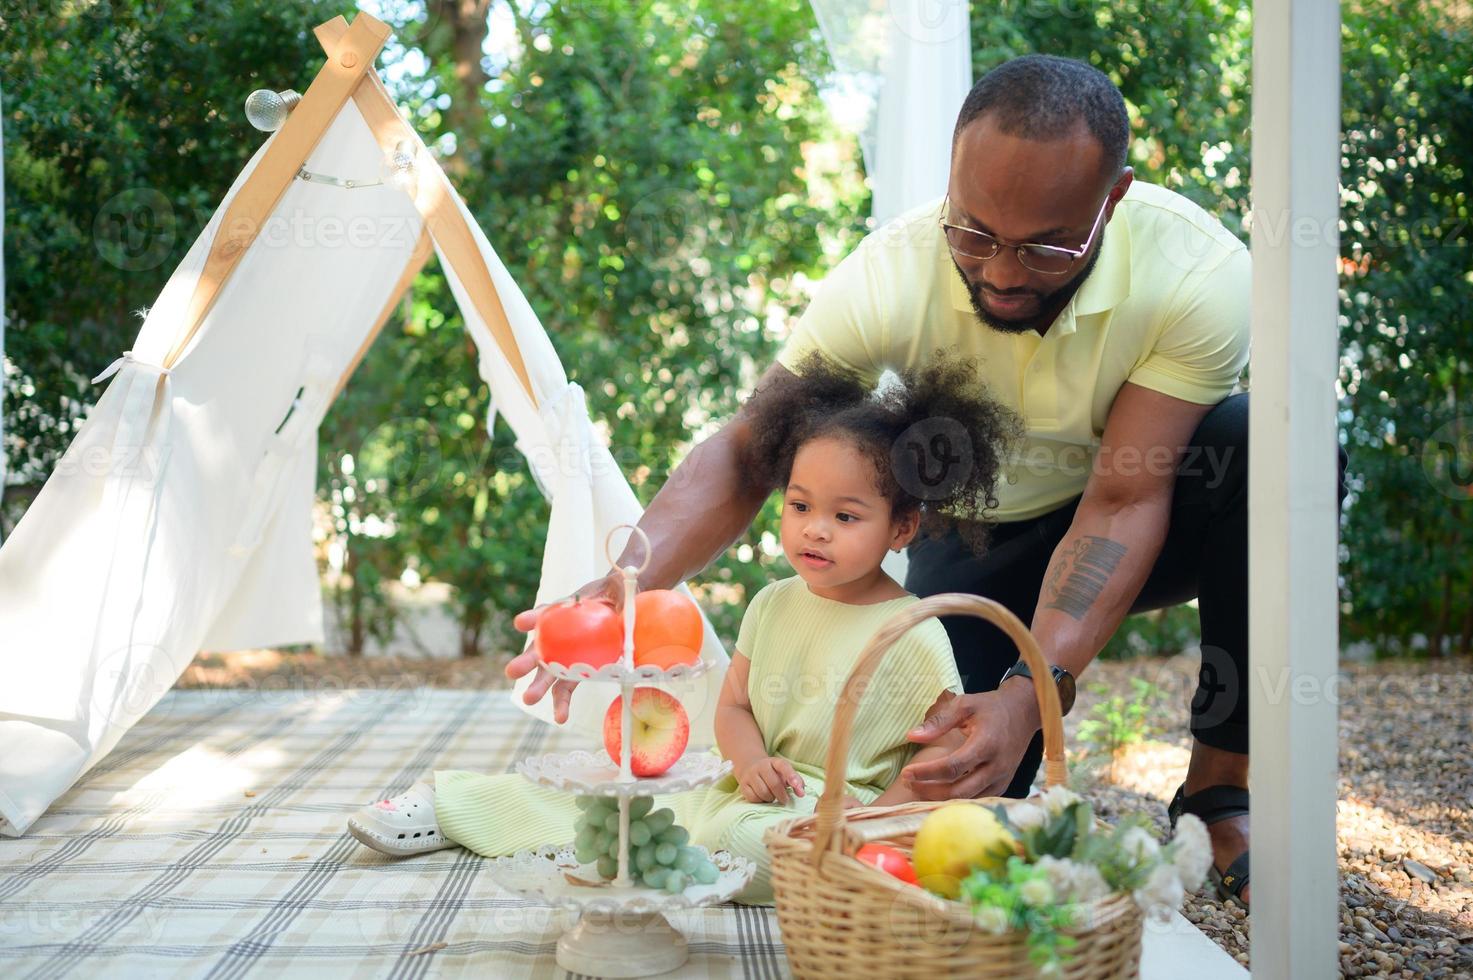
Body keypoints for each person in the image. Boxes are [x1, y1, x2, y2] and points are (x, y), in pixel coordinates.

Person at [510, 55, 1351, 911]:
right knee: (946, 793)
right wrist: (626, 583)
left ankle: (1217, 791)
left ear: (1114, 195)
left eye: (1044, 245)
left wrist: (1031, 696)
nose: (1001, 273)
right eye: (975, 233)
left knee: (1286, 448)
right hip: (977, 536)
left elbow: (1122, 500)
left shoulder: (1198, 277)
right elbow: (749, 448)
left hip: (1145, 515)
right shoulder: (894, 271)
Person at [347, 355, 1016, 903]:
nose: (813, 528)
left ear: (901, 528)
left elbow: (936, 751)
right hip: (745, 791)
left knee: (759, 845)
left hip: (830, 815)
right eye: (799, 505)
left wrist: (858, 826)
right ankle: (451, 801)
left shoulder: (913, 630)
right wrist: (751, 759)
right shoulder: (773, 604)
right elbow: (732, 708)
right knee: (613, 800)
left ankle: (708, 863)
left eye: (846, 516)